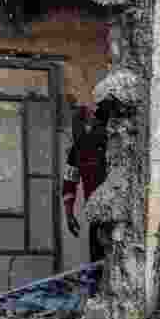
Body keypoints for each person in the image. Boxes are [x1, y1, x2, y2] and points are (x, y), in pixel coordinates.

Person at [63, 99, 114, 263]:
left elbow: (69, 182)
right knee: (100, 266)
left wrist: (69, 213)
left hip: (114, 218)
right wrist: (68, 212)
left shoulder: (112, 142)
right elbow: (69, 181)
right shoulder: (78, 148)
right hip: (99, 218)